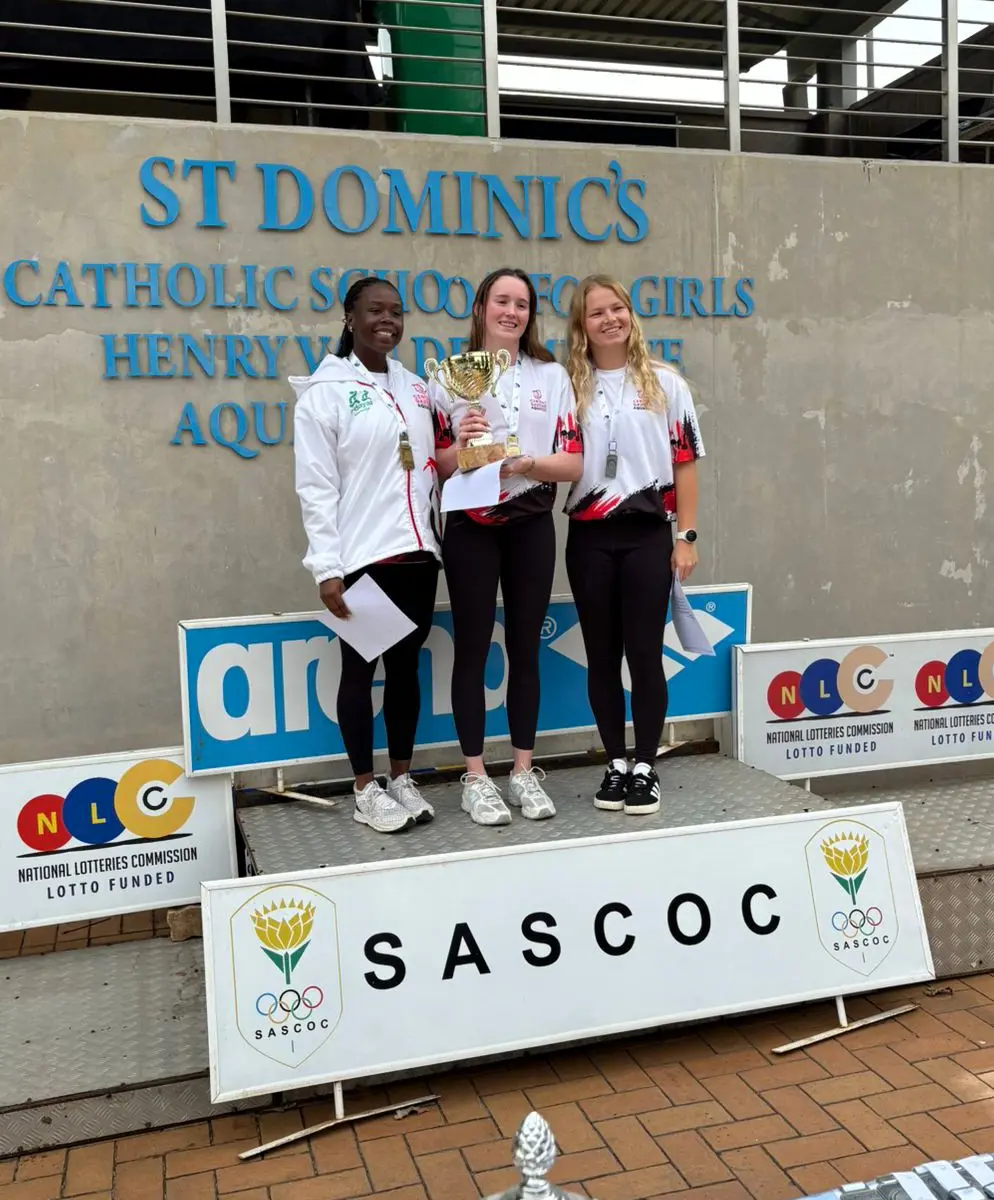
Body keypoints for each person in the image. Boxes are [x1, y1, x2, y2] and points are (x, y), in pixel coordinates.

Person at [432, 268, 583, 827]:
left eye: (521, 303)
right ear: (480, 308)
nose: (511, 312)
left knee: (525, 646)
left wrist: (525, 463)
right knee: (471, 647)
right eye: (501, 300)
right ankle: (476, 776)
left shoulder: (552, 376)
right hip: (471, 524)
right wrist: (464, 441)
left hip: (530, 523)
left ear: (529, 314)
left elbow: (573, 462)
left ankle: (522, 769)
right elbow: (436, 465)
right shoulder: (449, 378)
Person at [292, 277, 440, 834]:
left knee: (406, 672)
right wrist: (326, 567)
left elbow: (430, 465)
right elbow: (315, 485)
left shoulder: (417, 386)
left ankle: (400, 777)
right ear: (350, 317)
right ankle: (363, 787)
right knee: (359, 670)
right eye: (375, 310)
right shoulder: (325, 392)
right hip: (363, 558)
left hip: (419, 554)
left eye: (396, 312)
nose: (388, 320)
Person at [563, 275, 704, 815]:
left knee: (645, 654)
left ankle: (646, 765)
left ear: (630, 314)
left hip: (648, 533)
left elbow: (686, 465)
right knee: (601, 657)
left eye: (616, 308)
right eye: (595, 312)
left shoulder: (666, 383)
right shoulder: (569, 385)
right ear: (582, 325)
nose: (609, 319)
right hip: (589, 536)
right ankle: (616, 764)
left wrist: (685, 537)